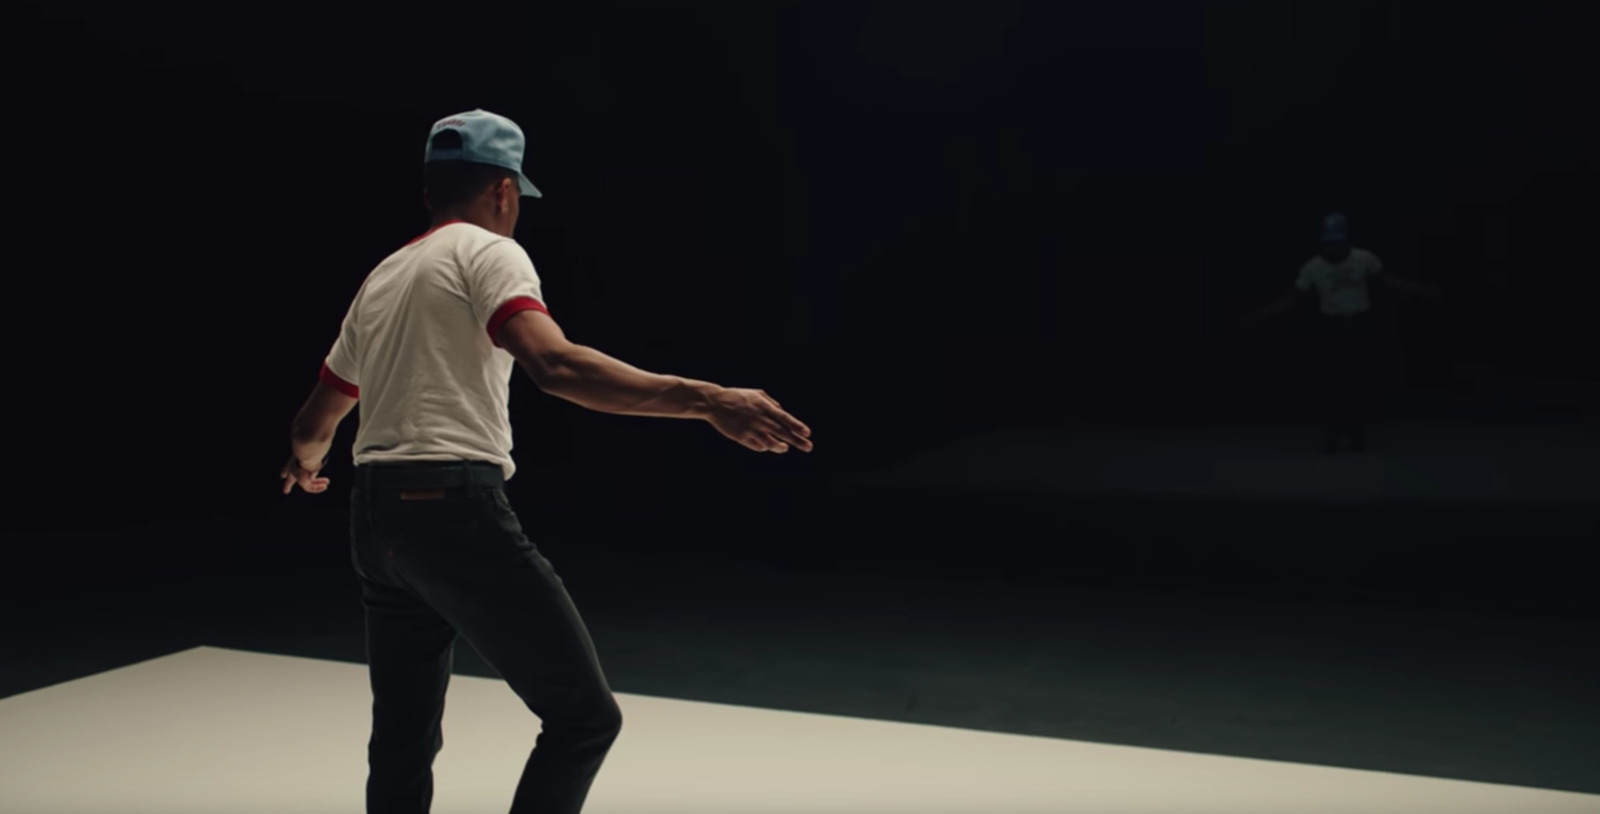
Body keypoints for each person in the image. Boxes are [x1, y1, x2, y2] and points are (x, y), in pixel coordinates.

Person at [277, 109, 814, 814]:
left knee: (403, 736)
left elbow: (317, 419)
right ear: (504, 191)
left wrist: (304, 465)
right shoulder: (491, 254)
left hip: (375, 518)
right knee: (585, 718)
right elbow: (555, 366)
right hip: (452, 509)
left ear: (429, 192)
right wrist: (707, 399)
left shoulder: (382, 277)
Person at [1246, 214, 1440, 454]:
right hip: (1331, 329)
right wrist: (1262, 313)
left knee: (1358, 383)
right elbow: (1292, 300)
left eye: (1337, 243)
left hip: (1360, 326)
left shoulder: (1364, 258)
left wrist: (1419, 290)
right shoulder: (1313, 267)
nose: (1333, 248)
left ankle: (1356, 434)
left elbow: (1387, 282)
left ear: (1346, 241)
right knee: (1333, 384)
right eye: (1329, 243)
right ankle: (1334, 435)